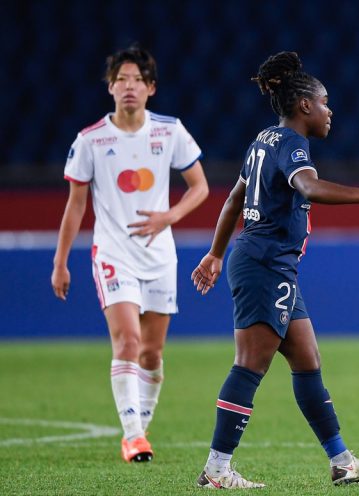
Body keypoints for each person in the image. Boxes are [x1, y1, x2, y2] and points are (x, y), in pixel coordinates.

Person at [191, 51, 359, 489]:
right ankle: (216, 470)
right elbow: (307, 186)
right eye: (325, 102)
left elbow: (235, 198)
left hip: (270, 265)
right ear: (305, 105)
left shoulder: (263, 139)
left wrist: (215, 254)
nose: (330, 111)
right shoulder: (291, 144)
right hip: (265, 265)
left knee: (307, 361)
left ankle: (342, 461)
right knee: (250, 364)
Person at [50, 44, 209, 463]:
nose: (129, 87)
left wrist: (167, 217)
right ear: (110, 87)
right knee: (128, 341)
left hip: (159, 255)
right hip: (113, 252)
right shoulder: (90, 140)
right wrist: (60, 261)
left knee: (152, 353)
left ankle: (140, 423)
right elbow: (76, 204)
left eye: (137, 80)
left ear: (151, 88)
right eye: (121, 79)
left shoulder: (169, 131)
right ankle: (134, 435)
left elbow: (201, 187)